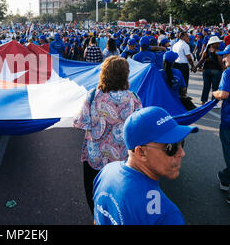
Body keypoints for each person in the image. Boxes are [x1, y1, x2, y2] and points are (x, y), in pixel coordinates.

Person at [92, 106, 198, 225]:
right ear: (141, 152)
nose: (182, 153)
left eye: (181, 142)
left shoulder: (106, 171)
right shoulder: (166, 215)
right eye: (171, 147)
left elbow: (97, 219)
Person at [73, 56, 142, 214]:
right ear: (125, 74)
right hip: (123, 159)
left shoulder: (93, 95)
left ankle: (98, 218)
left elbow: (79, 122)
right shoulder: (133, 98)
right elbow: (139, 128)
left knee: (94, 195)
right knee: (120, 198)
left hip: (96, 157)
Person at [213, 44, 230, 203]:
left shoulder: (228, 73)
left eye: (226, 55)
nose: (223, 58)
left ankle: (226, 177)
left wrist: (214, 93)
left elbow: (223, 94)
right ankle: (225, 177)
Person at [196, 36, 224, 105]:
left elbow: (201, 60)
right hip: (216, 71)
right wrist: (225, 69)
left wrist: (195, 67)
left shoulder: (206, 51)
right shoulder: (218, 51)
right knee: (215, 87)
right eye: (217, 43)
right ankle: (213, 103)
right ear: (213, 43)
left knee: (206, 86)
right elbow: (220, 62)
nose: (218, 44)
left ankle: (203, 101)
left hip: (206, 71)